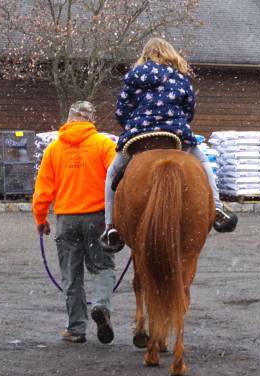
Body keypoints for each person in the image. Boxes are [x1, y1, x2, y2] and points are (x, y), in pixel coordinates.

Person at [99, 37, 236, 252]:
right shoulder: (180, 78)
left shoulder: (133, 77)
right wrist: (175, 121)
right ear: (170, 54)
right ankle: (218, 208)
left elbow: (121, 111)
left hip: (139, 136)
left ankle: (110, 228)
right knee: (204, 166)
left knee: (111, 174)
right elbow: (189, 110)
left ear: (145, 55)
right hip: (174, 134)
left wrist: (135, 123)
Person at [32, 101, 117, 344]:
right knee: (102, 267)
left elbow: (43, 189)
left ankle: (76, 328)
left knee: (72, 274)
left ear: (69, 119)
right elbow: (117, 180)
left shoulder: (54, 149)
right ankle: (101, 305)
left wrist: (40, 218)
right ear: (91, 120)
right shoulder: (103, 145)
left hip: (66, 219)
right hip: (98, 218)